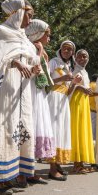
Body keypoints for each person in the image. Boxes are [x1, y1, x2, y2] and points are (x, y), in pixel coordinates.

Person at [0, 0, 40, 193]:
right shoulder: (0, 32)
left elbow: (29, 63)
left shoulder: (26, 40)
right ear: (17, 12)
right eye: (29, 15)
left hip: (22, 92)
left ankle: (15, 173)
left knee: (21, 130)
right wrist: (13, 63)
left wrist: (33, 68)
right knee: (4, 127)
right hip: (5, 87)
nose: (30, 20)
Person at [25, 19, 55, 184]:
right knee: (32, 126)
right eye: (47, 35)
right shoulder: (31, 46)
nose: (48, 39)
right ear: (38, 33)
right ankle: (26, 171)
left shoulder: (39, 49)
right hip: (31, 90)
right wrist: (40, 52)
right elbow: (32, 65)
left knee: (36, 128)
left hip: (39, 91)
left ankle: (30, 170)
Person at [47, 40, 80, 181]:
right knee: (54, 130)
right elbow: (45, 80)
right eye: (65, 49)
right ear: (60, 49)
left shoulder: (68, 67)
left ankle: (58, 164)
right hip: (54, 98)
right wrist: (62, 78)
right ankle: (52, 169)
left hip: (63, 100)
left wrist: (73, 83)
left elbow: (68, 91)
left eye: (70, 50)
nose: (67, 51)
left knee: (61, 131)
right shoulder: (53, 62)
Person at [69, 49, 96, 173]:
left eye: (85, 56)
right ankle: (76, 164)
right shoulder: (74, 70)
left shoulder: (84, 72)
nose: (82, 59)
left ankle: (81, 162)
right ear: (75, 58)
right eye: (79, 56)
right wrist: (81, 88)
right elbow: (70, 85)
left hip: (84, 102)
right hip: (76, 102)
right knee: (77, 131)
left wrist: (88, 90)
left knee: (83, 131)